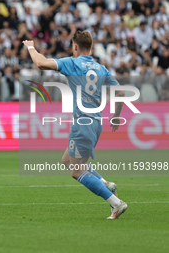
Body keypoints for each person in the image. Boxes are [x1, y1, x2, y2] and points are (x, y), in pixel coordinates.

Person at [22, 30, 128, 219]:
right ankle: (105, 183)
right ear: (92, 47)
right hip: (96, 123)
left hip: (82, 123)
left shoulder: (72, 62)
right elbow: (120, 93)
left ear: (76, 47)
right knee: (67, 160)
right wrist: (117, 115)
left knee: (76, 171)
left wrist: (31, 47)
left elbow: (40, 62)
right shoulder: (101, 68)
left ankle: (116, 203)